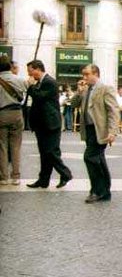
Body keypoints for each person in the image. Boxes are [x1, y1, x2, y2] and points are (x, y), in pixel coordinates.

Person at [72, 64, 119, 203]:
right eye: (83, 74)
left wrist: (113, 132)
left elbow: (113, 110)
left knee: (90, 157)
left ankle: (96, 191)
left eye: (87, 74)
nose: (84, 77)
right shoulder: (86, 89)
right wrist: (79, 91)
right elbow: (74, 104)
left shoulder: (105, 88)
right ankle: (105, 191)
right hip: (89, 130)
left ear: (96, 74)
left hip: (101, 130)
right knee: (99, 159)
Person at [26, 60, 73, 189]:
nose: (29, 75)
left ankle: (66, 174)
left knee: (51, 152)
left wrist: (31, 86)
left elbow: (39, 97)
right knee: (44, 153)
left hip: (50, 123)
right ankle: (43, 179)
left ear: (38, 69)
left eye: (30, 72)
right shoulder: (40, 82)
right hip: (41, 124)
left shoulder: (49, 82)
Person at [0, 56, 27, 185]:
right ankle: (16, 176)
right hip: (17, 113)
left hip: (1, 114)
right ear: (10, 67)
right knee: (16, 146)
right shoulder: (19, 79)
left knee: (2, 146)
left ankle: (4, 177)